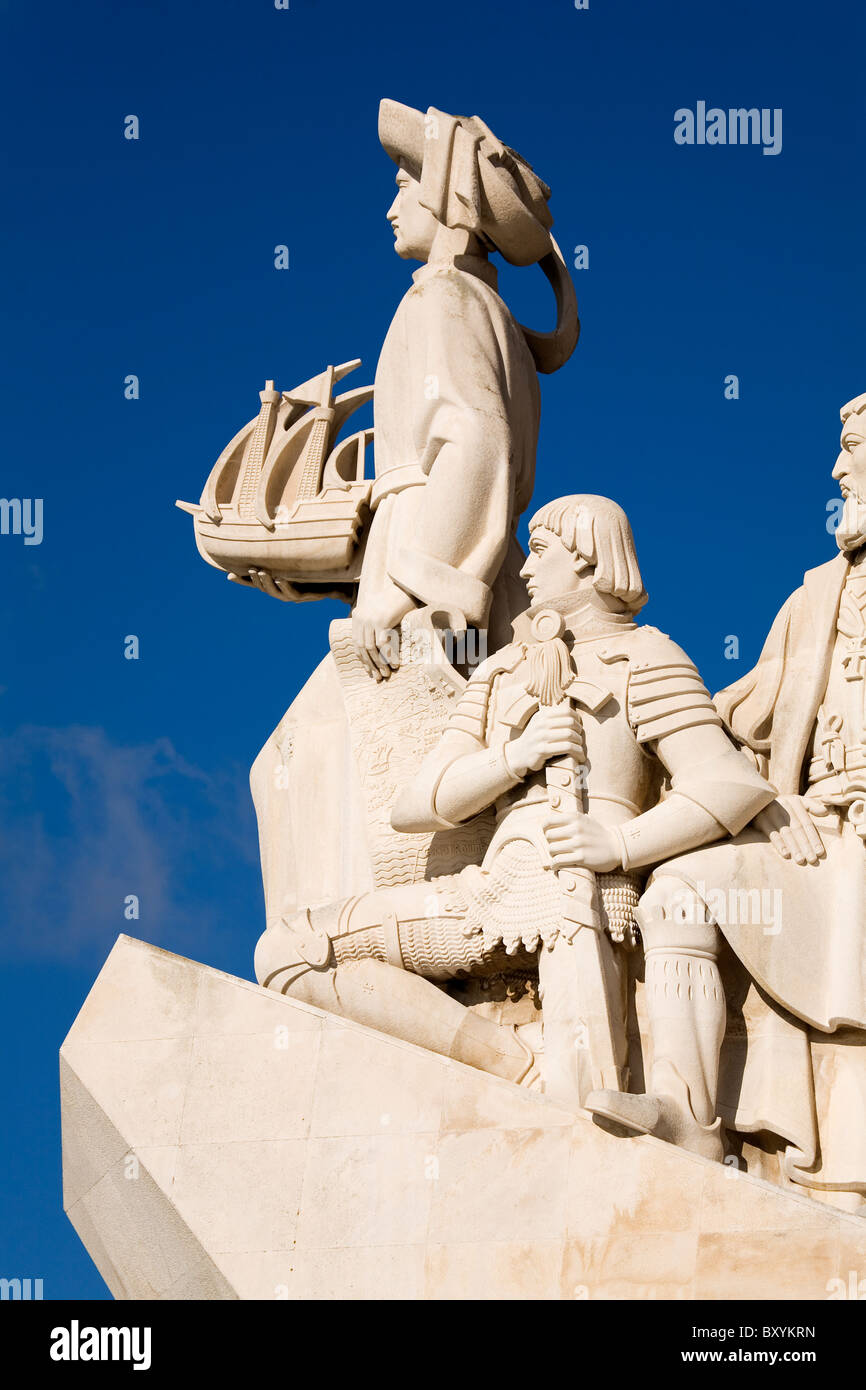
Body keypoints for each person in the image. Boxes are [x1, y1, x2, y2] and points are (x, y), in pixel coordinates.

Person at [254, 494, 773, 1123]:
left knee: (586, 1116)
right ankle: (517, 1067)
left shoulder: (645, 656)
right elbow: (418, 804)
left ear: (586, 558)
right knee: (289, 951)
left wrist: (621, 846)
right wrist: (517, 756)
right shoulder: (501, 670)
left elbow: (728, 784)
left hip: (588, 888)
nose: (525, 569)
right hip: (490, 889)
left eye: (543, 551)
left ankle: (574, 1092)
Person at [589, 392, 866, 1205]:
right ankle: (692, 1121)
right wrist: (594, 688)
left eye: (853, 449)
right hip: (822, 832)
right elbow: (735, 717)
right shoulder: (821, 597)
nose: (837, 468)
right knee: (680, 887)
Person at [351, 99, 579, 678]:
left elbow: (476, 441)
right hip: (479, 568)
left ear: (447, 200)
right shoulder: (494, 314)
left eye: (405, 187)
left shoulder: (442, 297)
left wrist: (408, 587)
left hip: (430, 580)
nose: (389, 209)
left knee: (285, 762)